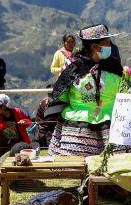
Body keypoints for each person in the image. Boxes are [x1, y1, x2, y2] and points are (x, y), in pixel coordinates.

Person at [46, 24, 125, 156]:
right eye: (107, 43)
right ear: (95, 47)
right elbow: (61, 94)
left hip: (112, 122)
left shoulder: (114, 67)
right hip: (80, 127)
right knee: (79, 166)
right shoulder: (75, 69)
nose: (110, 46)